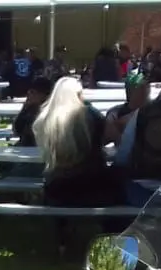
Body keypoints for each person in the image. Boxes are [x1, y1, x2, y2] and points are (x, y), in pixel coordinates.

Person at [33, 76, 124, 207]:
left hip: (56, 189)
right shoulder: (89, 113)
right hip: (93, 186)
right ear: (78, 94)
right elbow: (115, 136)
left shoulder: (45, 118)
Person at [107, 71, 149, 145]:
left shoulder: (153, 111)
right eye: (141, 88)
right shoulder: (114, 113)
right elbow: (109, 137)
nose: (146, 92)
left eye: (147, 87)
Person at [13, 75, 53, 147]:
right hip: (25, 147)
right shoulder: (29, 108)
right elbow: (16, 130)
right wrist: (25, 108)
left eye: (33, 92)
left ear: (43, 95)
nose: (29, 94)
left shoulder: (50, 110)